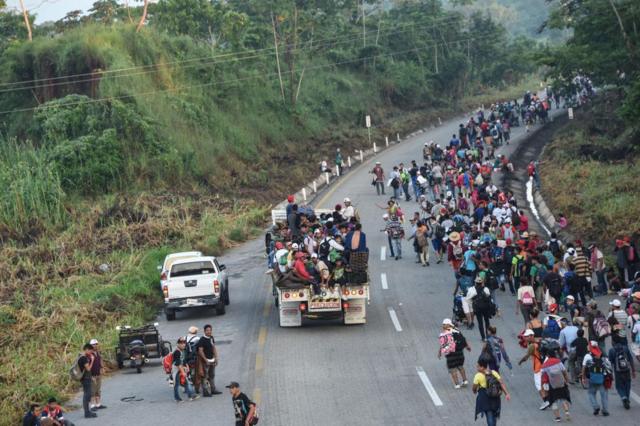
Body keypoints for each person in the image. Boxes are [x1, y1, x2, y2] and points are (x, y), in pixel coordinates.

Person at [472, 358, 510, 426]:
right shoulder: (493, 372)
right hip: (495, 396)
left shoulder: (478, 376)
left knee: (489, 414)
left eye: (478, 366)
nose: (477, 368)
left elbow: (474, 387)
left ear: (482, 367)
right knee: (494, 413)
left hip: (485, 397)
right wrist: (506, 393)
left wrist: (474, 391)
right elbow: (501, 383)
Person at [518, 329, 549, 410]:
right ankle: (548, 399)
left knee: (538, 385)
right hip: (545, 365)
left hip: (538, 367)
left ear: (531, 336)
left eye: (526, 336)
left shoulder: (532, 346)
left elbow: (527, 356)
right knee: (545, 384)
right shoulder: (540, 341)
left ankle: (546, 401)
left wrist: (520, 361)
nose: (525, 338)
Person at [438, 318, 471, 389]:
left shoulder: (444, 334)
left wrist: (440, 352)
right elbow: (463, 339)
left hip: (450, 354)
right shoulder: (457, 330)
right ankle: (465, 380)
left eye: (444, 324)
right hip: (459, 352)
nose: (443, 326)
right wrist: (467, 346)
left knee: (452, 369)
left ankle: (457, 384)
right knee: (460, 366)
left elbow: (443, 344)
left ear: (447, 325)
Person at [582, 340, 611, 416]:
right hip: (602, 378)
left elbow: (584, 368)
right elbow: (608, 366)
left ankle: (595, 407)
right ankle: (605, 410)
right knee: (604, 395)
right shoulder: (602, 355)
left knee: (591, 393)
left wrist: (583, 377)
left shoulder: (587, 356)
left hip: (592, 378)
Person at [540, 352, 572, 422]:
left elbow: (543, 377)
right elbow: (564, 372)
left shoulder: (545, 365)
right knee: (563, 398)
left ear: (547, 356)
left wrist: (543, 388)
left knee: (553, 401)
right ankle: (567, 412)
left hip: (552, 385)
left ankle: (558, 418)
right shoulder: (558, 361)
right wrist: (567, 381)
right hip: (561, 383)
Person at [608, 342, 636, 409]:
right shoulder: (625, 348)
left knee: (619, 386)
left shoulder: (611, 350)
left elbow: (610, 363)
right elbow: (631, 359)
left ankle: (624, 397)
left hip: (618, 372)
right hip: (626, 370)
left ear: (613, 343)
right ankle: (627, 398)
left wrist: (610, 373)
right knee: (627, 384)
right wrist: (633, 370)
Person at [196, 324, 222, 396]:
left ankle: (213, 389)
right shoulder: (202, 340)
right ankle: (205, 392)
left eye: (210, 330)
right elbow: (200, 351)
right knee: (204, 376)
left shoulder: (211, 338)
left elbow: (213, 347)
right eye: (207, 330)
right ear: (204, 331)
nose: (209, 332)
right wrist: (205, 360)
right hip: (206, 361)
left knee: (212, 375)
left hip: (212, 360)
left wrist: (216, 358)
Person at [173, 337, 198, 402]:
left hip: (181, 369)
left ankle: (191, 396)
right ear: (178, 344)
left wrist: (186, 366)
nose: (183, 344)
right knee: (177, 385)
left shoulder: (181, 351)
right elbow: (177, 364)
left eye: (184, 343)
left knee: (186, 383)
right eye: (181, 343)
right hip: (176, 371)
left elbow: (183, 360)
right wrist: (183, 372)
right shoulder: (177, 352)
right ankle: (177, 398)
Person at [77, 343, 96, 418]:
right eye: (90, 350)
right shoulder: (84, 358)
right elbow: (88, 369)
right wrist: (92, 360)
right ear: (87, 349)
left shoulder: (80, 356)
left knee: (88, 395)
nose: (91, 352)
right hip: (85, 379)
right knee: (86, 395)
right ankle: (87, 413)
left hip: (85, 378)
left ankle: (88, 411)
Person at [88, 339, 106, 411]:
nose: (95, 345)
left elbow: (100, 360)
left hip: (98, 374)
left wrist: (102, 367)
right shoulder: (89, 354)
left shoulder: (97, 353)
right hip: (92, 375)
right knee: (92, 390)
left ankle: (98, 404)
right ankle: (92, 405)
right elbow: (87, 366)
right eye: (93, 344)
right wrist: (90, 376)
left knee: (98, 390)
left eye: (96, 344)